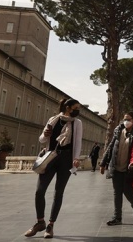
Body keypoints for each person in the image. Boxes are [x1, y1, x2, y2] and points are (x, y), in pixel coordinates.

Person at [24, 98, 83, 239]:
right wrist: (45, 134)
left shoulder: (77, 123)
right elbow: (42, 140)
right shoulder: (53, 120)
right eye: (75, 107)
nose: (77, 110)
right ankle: (40, 222)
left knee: (59, 192)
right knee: (40, 191)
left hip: (66, 159)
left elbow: (77, 141)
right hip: (50, 157)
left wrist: (76, 158)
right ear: (68, 107)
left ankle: (50, 225)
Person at [100, 112, 133, 226]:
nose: (126, 121)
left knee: (128, 192)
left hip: (129, 169)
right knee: (117, 192)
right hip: (116, 167)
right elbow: (111, 146)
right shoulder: (118, 131)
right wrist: (103, 163)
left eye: (128, 119)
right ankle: (117, 217)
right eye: (124, 119)